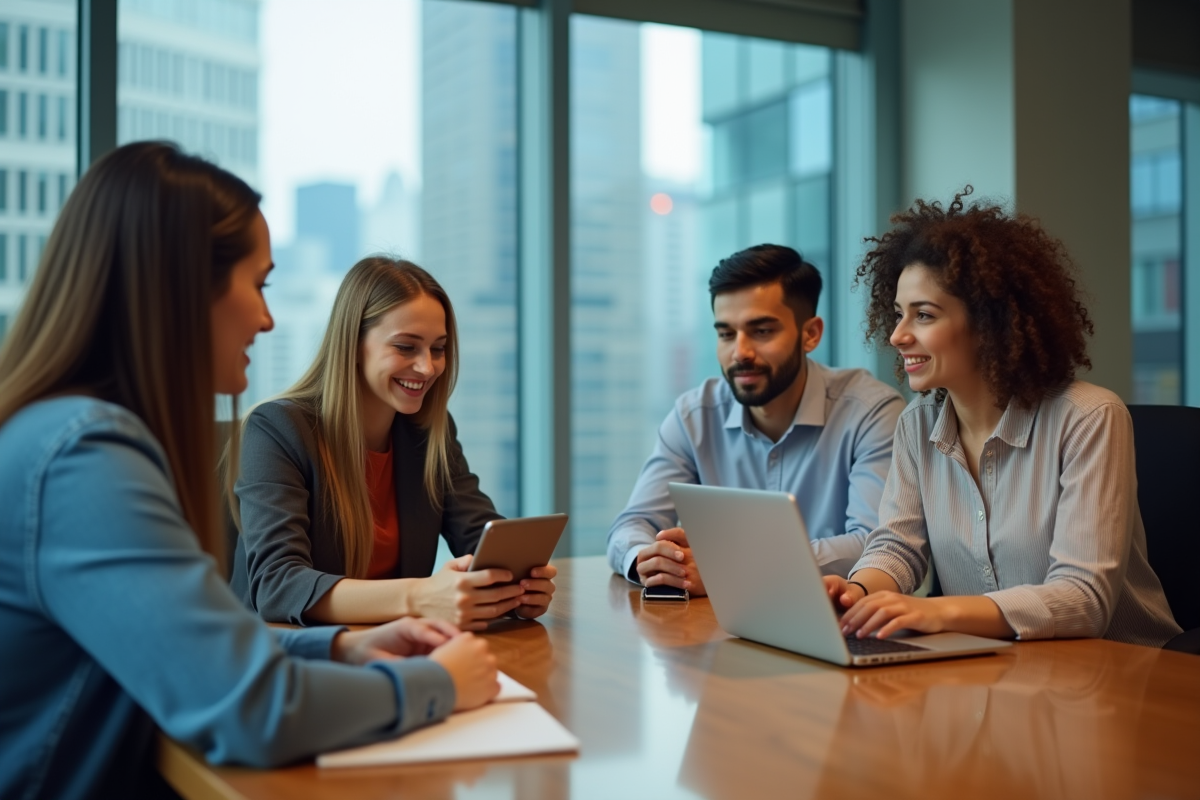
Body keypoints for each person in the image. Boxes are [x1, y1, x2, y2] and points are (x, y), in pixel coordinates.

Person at [0, 142, 501, 798]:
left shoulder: (64, 435)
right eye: (260, 285)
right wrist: (439, 684)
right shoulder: (84, 459)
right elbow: (253, 708)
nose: (267, 318)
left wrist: (341, 649)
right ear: (180, 286)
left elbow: (200, 643)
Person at [826, 188, 1182, 648]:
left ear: (989, 323)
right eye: (898, 315)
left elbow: (1083, 599)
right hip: (995, 670)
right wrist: (856, 592)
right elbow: (897, 546)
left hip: (1121, 677)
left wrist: (934, 611)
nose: (897, 335)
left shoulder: (1089, 417)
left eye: (924, 315)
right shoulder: (917, 424)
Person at [230, 257, 556, 629]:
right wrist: (422, 598)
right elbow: (277, 585)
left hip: (394, 644)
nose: (428, 367)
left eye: (438, 348)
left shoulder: (429, 432)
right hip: (288, 658)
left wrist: (515, 586)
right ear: (353, 345)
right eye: (406, 347)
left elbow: (480, 537)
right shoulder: (277, 430)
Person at [607, 244, 905, 594]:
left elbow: (876, 546)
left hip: (840, 624)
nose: (740, 353)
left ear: (810, 334)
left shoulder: (872, 412)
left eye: (762, 331)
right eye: (726, 334)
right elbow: (632, 525)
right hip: (718, 630)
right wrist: (652, 560)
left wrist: (731, 568)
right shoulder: (694, 416)